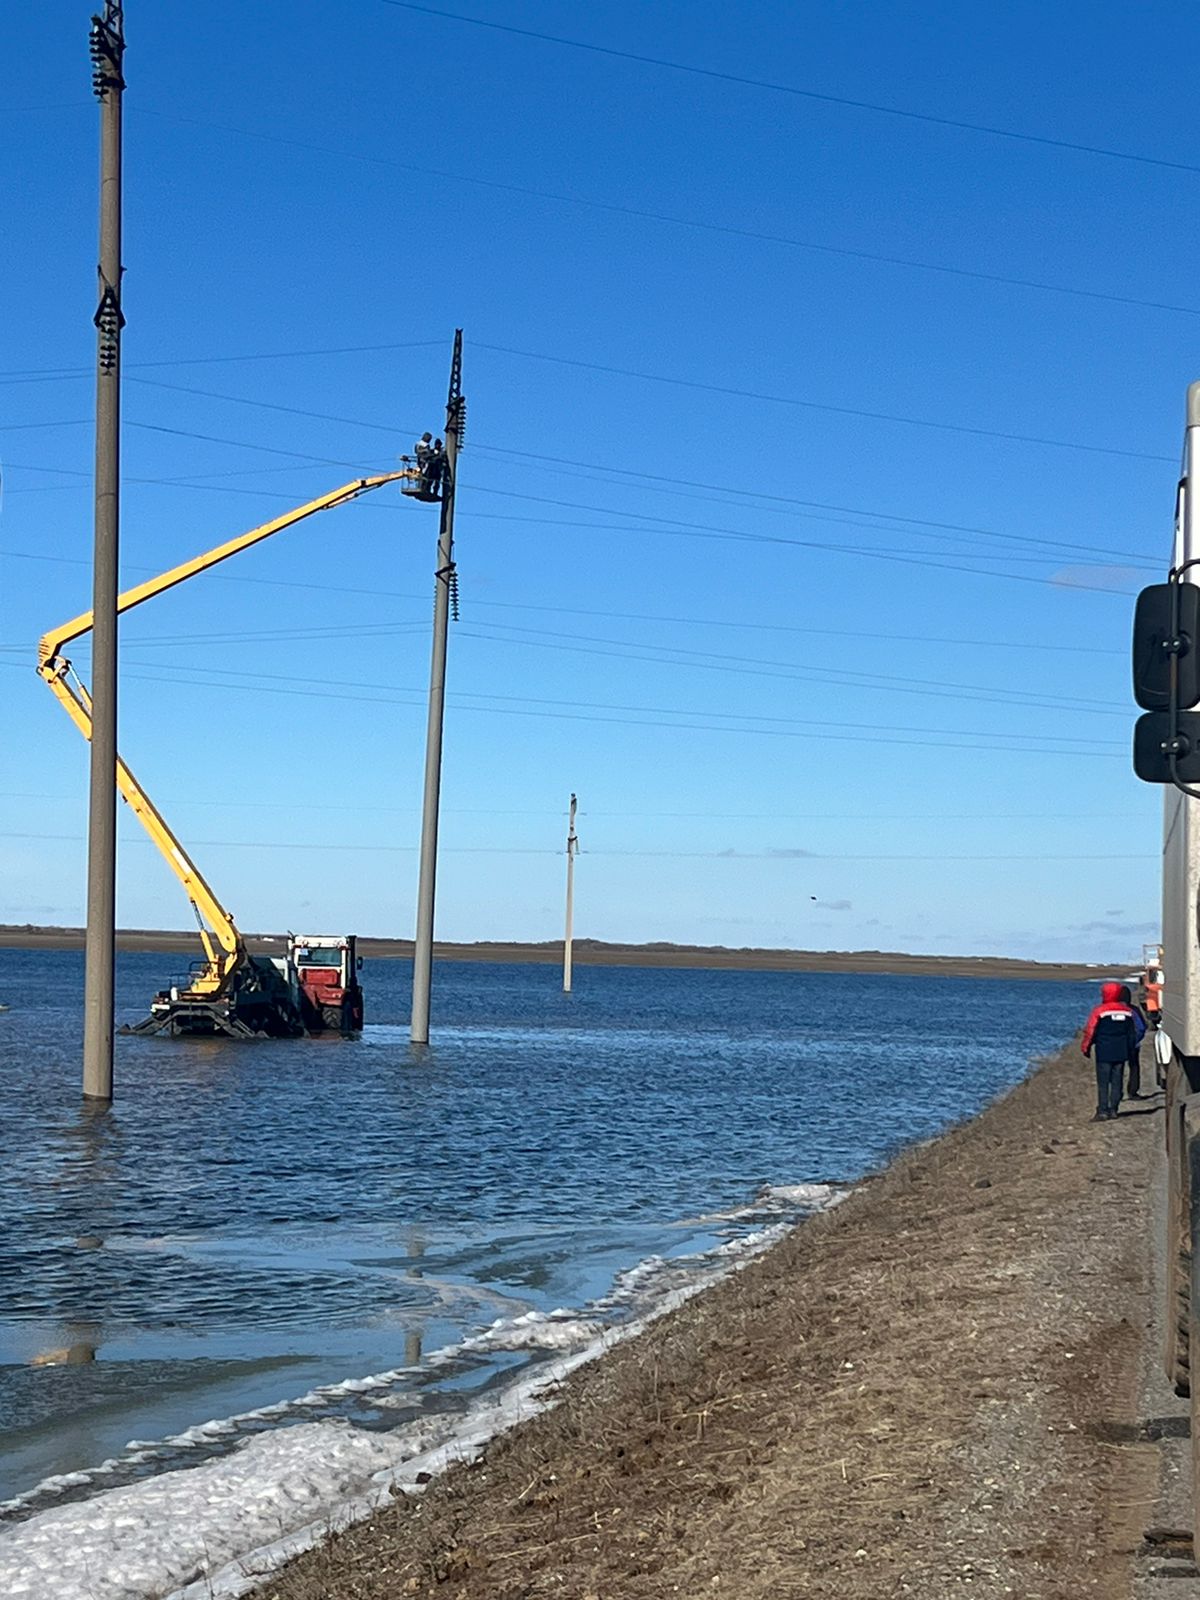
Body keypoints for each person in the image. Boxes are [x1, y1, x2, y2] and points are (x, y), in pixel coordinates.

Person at [1081, 981, 1145, 1121]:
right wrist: (1129, 1049)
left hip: (1104, 1052)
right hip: (1121, 1052)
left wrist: (1086, 1047)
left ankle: (1103, 1110)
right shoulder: (1127, 1012)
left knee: (1103, 1083)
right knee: (1117, 1081)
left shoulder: (1099, 1011)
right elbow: (1132, 1034)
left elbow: (1090, 1031)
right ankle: (1114, 1109)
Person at [1117, 983, 1149, 1098]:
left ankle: (1117, 1093)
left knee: (1118, 1069)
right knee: (1134, 1067)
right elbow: (1141, 1027)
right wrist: (1135, 1040)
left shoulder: (1114, 1009)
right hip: (1133, 1044)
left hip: (1118, 1044)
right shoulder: (1134, 1010)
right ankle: (1132, 1091)